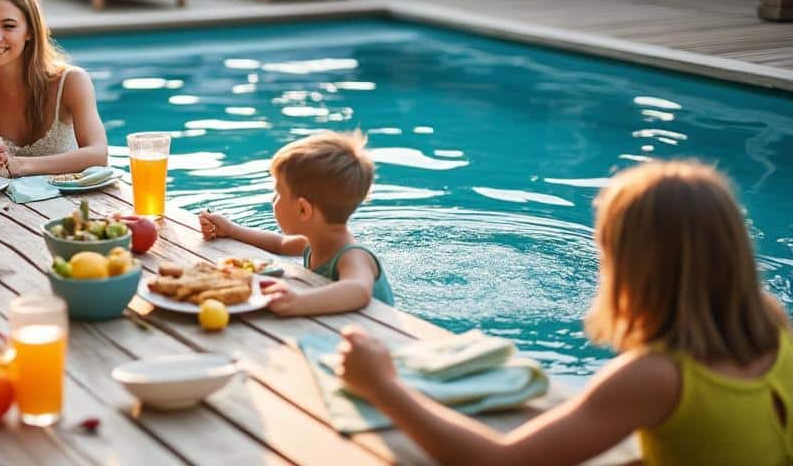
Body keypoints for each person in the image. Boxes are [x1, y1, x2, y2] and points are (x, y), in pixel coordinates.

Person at [335, 160, 793, 465]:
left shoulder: (656, 376)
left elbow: (500, 462)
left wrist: (382, 385)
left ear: (630, 268)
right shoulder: (772, 326)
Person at [201, 130, 393, 315]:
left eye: (278, 192)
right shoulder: (315, 241)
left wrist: (299, 301)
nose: (273, 199)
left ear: (303, 209)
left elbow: (358, 290)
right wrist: (231, 229)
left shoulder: (353, 256)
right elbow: (279, 244)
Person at [0, 0, 108, 177]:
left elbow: (98, 155)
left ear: (29, 31)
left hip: (70, 196)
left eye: (8, 26)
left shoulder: (70, 82)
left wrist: (18, 165)